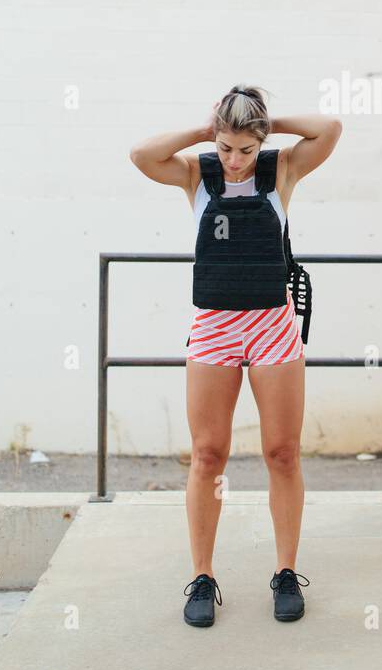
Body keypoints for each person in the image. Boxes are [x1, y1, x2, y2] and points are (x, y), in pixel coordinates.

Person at [129, 86, 342, 627]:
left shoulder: (283, 169)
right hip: (215, 328)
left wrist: (271, 125)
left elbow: (330, 128)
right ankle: (203, 577)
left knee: (282, 453)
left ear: (261, 143)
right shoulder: (198, 174)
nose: (235, 159)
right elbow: (141, 155)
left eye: (245, 149)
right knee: (208, 454)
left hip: (272, 326)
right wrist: (203, 134)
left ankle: (286, 572)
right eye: (226, 147)